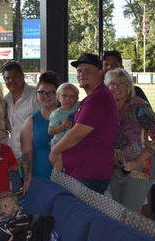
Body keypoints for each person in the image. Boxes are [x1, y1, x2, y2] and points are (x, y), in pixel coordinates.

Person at [49, 53, 118, 194]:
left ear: (100, 73)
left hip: (89, 174)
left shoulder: (98, 98)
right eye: (79, 70)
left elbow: (77, 134)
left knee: (78, 215)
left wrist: (55, 151)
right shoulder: (93, 97)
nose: (82, 74)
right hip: (83, 173)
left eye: (87, 70)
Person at [105, 68, 155, 212]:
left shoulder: (139, 106)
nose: (116, 87)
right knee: (117, 216)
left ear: (129, 87)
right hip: (112, 171)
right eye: (112, 84)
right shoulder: (106, 107)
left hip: (138, 171)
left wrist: (137, 161)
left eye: (121, 84)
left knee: (129, 218)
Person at [20, 71, 61, 190]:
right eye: (42, 92)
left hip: (66, 181)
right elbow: (27, 155)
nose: (46, 96)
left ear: (58, 95)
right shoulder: (31, 122)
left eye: (51, 93)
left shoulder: (69, 118)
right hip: (40, 181)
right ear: (36, 96)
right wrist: (27, 180)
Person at [2, 61, 39, 159]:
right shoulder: (6, 99)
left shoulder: (36, 95)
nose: (11, 80)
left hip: (35, 153)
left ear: (23, 76)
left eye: (15, 76)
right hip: (15, 154)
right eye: (7, 78)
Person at [48, 83, 80, 148]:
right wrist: (62, 126)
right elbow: (50, 131)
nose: (68, 98)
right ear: (58, 98)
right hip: (58, 143)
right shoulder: (56, 114)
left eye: (72, 96)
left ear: (77, 99)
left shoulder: (77, 106)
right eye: (64, 95)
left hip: (72, 142)